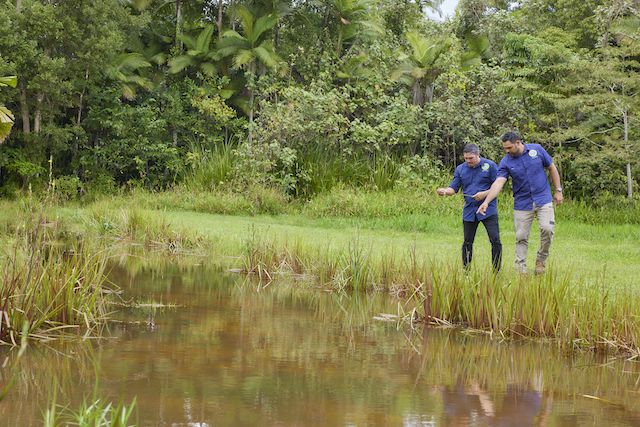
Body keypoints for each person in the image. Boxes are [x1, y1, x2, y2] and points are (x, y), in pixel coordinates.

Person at [477, 132, 563, 274]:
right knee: (521, 236)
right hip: (522, 204)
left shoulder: (537, 150)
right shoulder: (506, 162)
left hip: (543, 199)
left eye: (509, 147)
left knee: (547, 229)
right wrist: (486, 201)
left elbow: (552, 168)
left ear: (518, 142)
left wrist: (558, 190)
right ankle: (520, 269)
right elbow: (499, 183)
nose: (507, 151)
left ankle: (541, 260)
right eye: (505, 148)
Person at [437, 143, 502, 270]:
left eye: (471, 158)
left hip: (487, 208)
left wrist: (484, 194)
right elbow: (454, 188)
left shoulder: (490, 166)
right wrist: (445, 191)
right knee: (467, 241)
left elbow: (498, 187)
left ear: (478, 155)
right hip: (469, 210)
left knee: (495, 239)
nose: (468, 161)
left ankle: (496, 270)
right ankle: (466, 270)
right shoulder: (461, 169)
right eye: (466, 158)